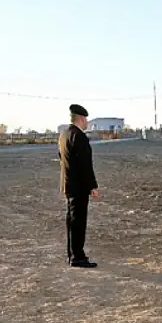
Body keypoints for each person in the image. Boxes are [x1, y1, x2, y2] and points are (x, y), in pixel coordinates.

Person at [58, 103, 100, 268]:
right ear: (81, 118)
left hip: (68, 185)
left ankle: (72, 254)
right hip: (79, 187)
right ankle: (77, 256)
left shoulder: (64, 135)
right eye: (86, 119)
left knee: (71, 221)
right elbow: (85, 165)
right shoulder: (79, 137)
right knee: (78, 221)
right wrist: (92, 186)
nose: (86, 122)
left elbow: (62, 159)